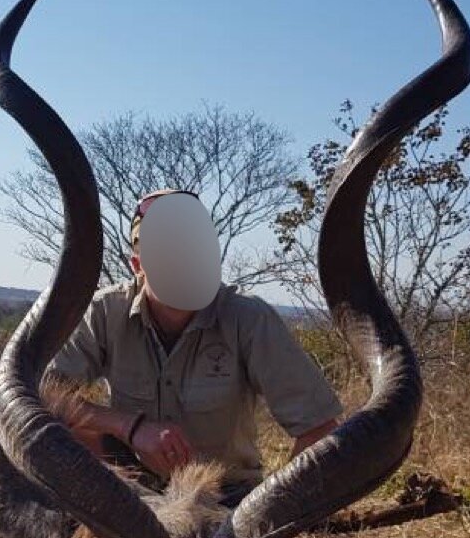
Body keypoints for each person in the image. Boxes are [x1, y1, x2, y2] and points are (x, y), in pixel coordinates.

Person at [48, 189, 343, 505]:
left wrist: (273, 511)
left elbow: (320, 428)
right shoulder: (105, 311)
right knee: (57, 435)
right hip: (132, 497)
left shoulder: (249, 318)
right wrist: (129, 427)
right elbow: (40, 396)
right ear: (138, 265)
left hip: (224, 501)